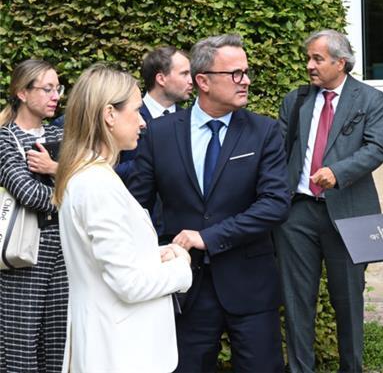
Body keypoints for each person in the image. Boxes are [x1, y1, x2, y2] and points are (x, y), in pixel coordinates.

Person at [128, 34, 291, 372]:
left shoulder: (264, 132)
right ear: (202, 81)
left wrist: (209, 237)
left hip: (251, 286)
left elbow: (275, 204)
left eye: (246, 72)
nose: (245, 80)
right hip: (185, 287)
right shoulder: (160, 134)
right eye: (234, 73)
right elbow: (137, 206)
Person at [53, 64, 192, 372]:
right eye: (137, 111)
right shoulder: (96, 184)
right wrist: (182, 268)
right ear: (109, 114)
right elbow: (127, 283)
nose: (143, 122)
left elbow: (107, 259)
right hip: (119, 352)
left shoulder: (91, 177)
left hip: (113, 346)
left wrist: (157, 255)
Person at [275, 28, 383, 372]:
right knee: (296, 302)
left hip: (349, 215)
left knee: (349, 301)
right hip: (298, 215)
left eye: (317, 58)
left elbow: (376, 148)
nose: (309, 65)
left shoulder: (370, 98)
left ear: (341, 62)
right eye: (308, 58)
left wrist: (337, 172)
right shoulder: (295, 100)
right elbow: (279, 153)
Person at [0, 59, 67, 373]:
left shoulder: (64, 136)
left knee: (58, 348)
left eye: (58, 88)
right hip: (23, 256)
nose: (56, 96)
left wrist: (58, 174)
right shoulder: (5, 139)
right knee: (19, 349)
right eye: (47, 89)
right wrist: (71, 193)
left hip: (65, 255)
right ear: (22, 93)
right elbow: (28, 194)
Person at [117, 46, 193, 180]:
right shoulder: (126, 116)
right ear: (161, 79)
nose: (191, 81)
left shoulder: (191, 119)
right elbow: (111, 169)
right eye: (184, 74)